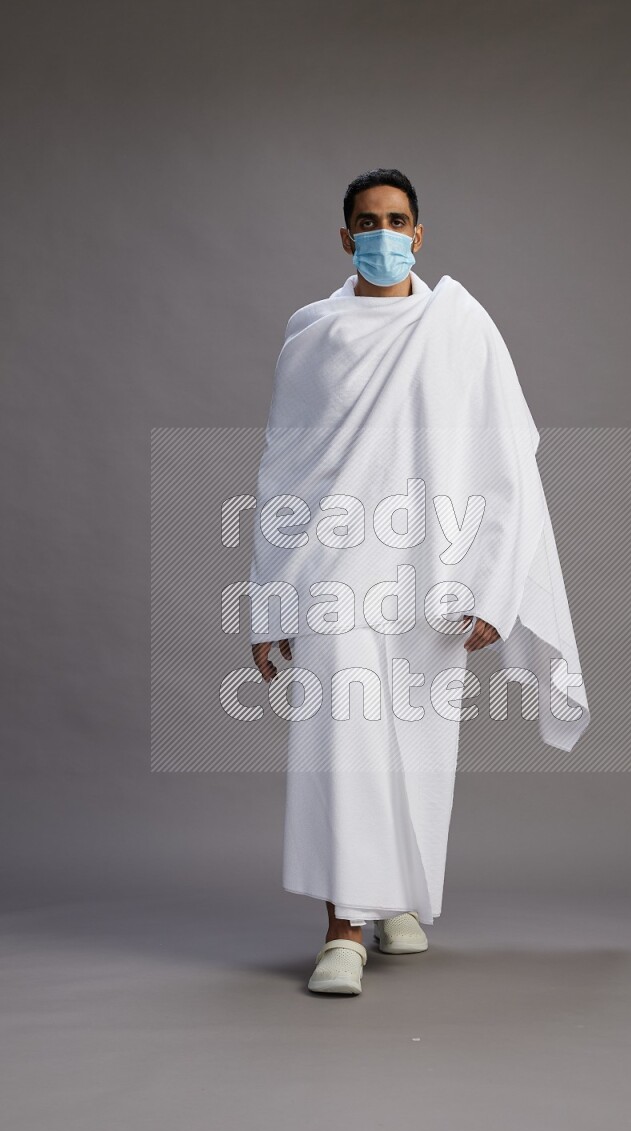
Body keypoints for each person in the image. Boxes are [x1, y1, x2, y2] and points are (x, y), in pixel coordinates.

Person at [249, 168, 590, 996]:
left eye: (396, 220)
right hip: (335, 572)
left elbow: (505, 460)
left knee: (417, 749)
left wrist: (494, 586)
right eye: (366, 222)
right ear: (343, 237)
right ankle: (343, 929)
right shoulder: (314, 332)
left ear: (420, 233)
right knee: (343, 744)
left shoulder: (460, 328)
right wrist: (271, 599)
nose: (382, 234)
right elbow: (284, 469)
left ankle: (394, 896)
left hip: (429, 572)